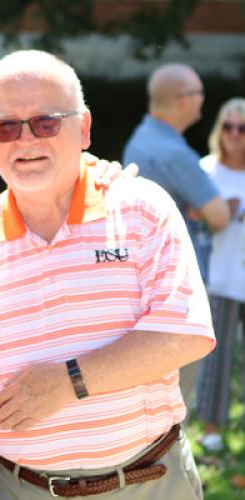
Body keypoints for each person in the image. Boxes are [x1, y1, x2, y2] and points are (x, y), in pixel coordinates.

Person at [0, 50, 216, 500]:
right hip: (12, 487)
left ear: (83, 128)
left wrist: (69, 381)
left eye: (46, 122)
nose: (25, 140)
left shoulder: (141, 209)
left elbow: (184, 334)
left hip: (146, 483)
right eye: (6, 126)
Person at [122, 63, 231, 407]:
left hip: (140, 285)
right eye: (199, 93)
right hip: (178, 293)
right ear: (184, 100)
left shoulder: (139, 140)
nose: (203, 101)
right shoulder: (176, 154)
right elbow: (220, 216)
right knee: (175, 400)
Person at [196, 97, 245, 453]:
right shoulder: (205, 170)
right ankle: (211, 429)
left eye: (242, 128)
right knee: (217, 355)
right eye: (228, 126)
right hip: (220, 277)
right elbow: (188, 219)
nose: (234, 134)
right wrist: (213, 214)